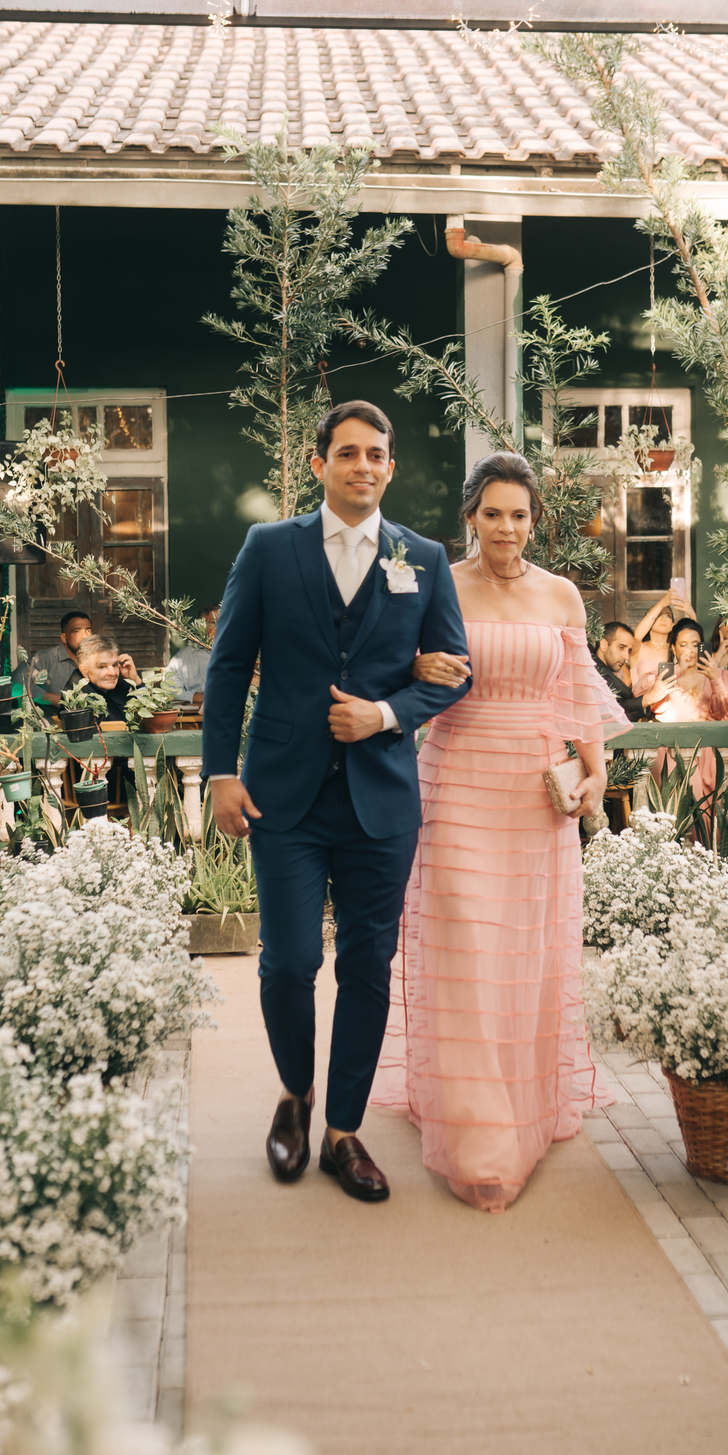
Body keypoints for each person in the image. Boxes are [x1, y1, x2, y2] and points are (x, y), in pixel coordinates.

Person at [203, 401, 470, 1206]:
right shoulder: (269, 547)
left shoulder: (422, 556)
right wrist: (219, 772)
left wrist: (386, 713)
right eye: (346, 452)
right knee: (289, 959)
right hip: (282, 796)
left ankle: (344, 1130)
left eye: (376, 454)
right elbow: (226, 666)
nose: (362, 465)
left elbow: (459, 671)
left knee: (366, 966)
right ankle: (296, 1093)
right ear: (317, 464)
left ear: (391, 468)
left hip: (381, 800)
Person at [374, 451, 629, 1213]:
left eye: (520, 515)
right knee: (465, 952)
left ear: (534, 519)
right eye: (493, 514)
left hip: (534, 796)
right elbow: (401, 680)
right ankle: (479, 1131)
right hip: (455, 785)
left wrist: (594, 776)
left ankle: (524, 1106)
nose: (507, 528)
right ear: (470, 518)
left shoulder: (562, 595)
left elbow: (582, 699)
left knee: (523, 951)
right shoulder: (435, 584)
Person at [641, 616, 728, 798]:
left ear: (703, 647)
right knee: (686, 786)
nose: (690, 651)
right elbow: (641, 694)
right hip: (675, 750)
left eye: (695, 644)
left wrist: (715, 679)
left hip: (713, 749)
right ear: (673, 648)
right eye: (683, 645)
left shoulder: (721, 675)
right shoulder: (666, 676)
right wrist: (678, 669)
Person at [13, 609, 92, 706]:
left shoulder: (98, 659)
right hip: (51, 720)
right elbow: (16, 683)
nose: (85, 636)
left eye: (88, 630)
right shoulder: (45, 658)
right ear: (64, 638)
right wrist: (56, 699)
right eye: (76, 631)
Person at [71, 635, 141, 723]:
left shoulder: (118, 684)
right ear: (84, 671)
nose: (112, 673)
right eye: (102, 667)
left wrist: (136, 680)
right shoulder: (80, 698)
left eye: (115, 665)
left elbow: (151, 714)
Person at [595, 620, 646, 721]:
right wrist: (647, 699)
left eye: (629, 651)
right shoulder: (594, 671)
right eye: (621, 647)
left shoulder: (601, 669)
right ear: (604, 645)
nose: (626, 657)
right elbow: (609, 712)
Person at [166, 607, 217, 705]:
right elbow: (170, 691)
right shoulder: (182, 659)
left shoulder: (235, 656)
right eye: (213, 623)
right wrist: (197, 696)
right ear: (199, 625)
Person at [630, 590, 677, 696]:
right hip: (643, 708)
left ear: (672, 625)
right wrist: (661, 604)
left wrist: (689, 610)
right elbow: (637, 636)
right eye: (658, 614)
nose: (664, 618)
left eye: (668, 616)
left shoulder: (676, 648)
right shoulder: (639, 648)